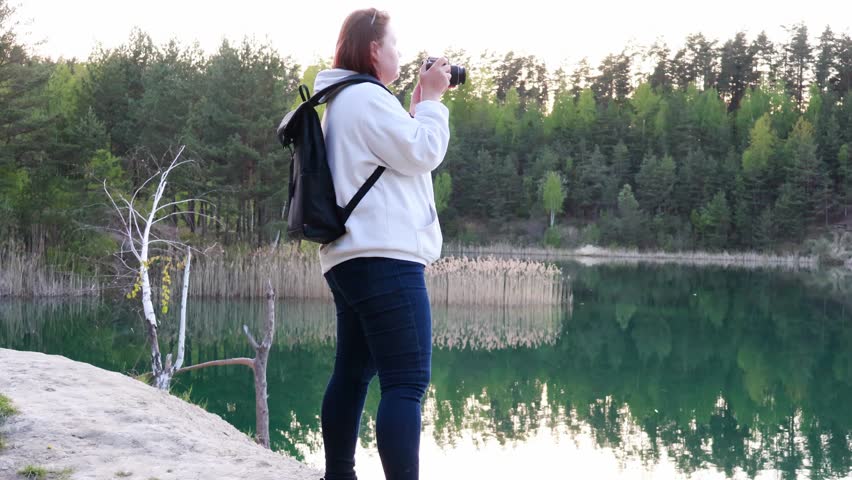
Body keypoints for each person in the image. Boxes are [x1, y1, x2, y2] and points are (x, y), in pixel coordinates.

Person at [313, 7, 452, 480]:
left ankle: (339, 474)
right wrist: (432, 101)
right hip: (385, 258)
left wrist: (414, 108)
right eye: (394, 45)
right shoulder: (366, 98)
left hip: (351, 258)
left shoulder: (345, 100)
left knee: (352, 374)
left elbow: (392, 158)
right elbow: (423, 152)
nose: (399, 53)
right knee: (406, 382)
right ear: (373, 49)